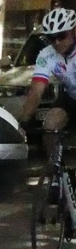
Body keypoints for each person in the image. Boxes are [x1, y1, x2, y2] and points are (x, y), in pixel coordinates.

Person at [18, 8, 76, 149]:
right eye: (51, 38)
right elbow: (36, 91)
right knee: (51, 123)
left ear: (74, 31)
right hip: (70, 98)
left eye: (61, 36)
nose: (57, 42)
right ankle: (53, 161)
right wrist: (23, 122)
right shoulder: (46, 55)